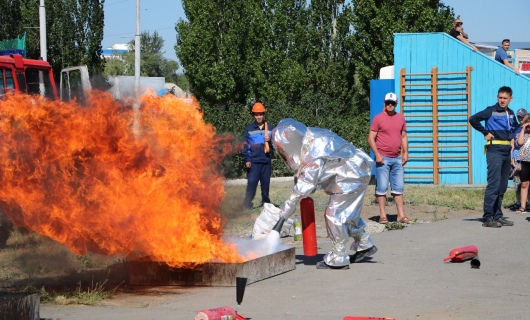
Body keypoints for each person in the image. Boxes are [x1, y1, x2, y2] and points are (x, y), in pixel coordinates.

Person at [272, 118, 377, 270]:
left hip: (351, 175)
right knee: (348, 212)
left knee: (334, 214)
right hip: (356, 170)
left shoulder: (313, 152)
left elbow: (306, 185)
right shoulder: (312, 137)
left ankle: (339, 257)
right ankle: (364, 243)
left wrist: (285, 209)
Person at [469, 86, 517, 227]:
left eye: (505, 98)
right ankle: (488, 217)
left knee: (502, 186)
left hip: (506, 150)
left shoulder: (511, 114)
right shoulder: (491, 110)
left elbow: (513, 129)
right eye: (500, 97)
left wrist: (513, 142)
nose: (502, 100)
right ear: (497, 97)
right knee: (494, 184)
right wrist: (485, 132)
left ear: (510, 99)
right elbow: (473, 119)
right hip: (494, 150)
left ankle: (498, 215)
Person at [368, 92, 410, 225]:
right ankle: (382, 215)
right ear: (384, 104)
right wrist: (378, 155)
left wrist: (405, 153)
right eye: (388, 103)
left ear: (396, 104)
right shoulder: (378, 118)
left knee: (398, 188)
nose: (390, 105)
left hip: (397, 158)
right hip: (383, 158)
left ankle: (401, 215)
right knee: (381, 188)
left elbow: (403, 136)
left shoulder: (400, 118)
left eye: (392, 103)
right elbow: (371, 138)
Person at [242, 102, 274, 209]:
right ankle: (247, 204)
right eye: (256, 114)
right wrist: (247, 159)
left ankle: (266, 203)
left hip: (266, 161)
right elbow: (245, 145)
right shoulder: (249, 129)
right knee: (251, 184)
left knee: (265, 185)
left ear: (263, 114)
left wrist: (270, 140)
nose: (259, 116)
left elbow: (276, 143)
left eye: (260, 114)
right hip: (254, 162)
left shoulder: (270, 128)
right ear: (253, 115)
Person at [508, 108, 530, 211]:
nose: (520, 118)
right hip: (519, 159)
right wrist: (511, 158)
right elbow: (514, 144)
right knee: (519, 183)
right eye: (519, 116)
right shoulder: (517, 128)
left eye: (522, 116)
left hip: (526, 158)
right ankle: (519, 203)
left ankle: (528, 202)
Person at [515, 115, 530, 214]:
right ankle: (522, 206)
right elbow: (519, 142)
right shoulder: (524, 133)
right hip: (525, 161)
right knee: (524, 184)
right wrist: (523, 128)